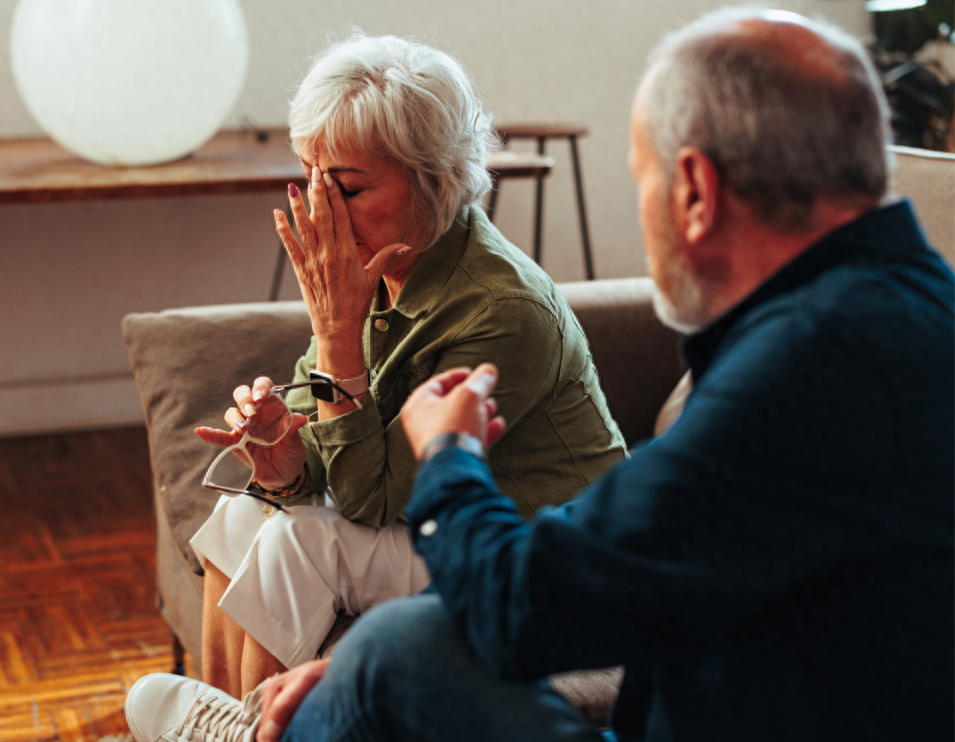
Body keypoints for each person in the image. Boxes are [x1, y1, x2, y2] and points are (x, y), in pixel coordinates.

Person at [123, 8, 955, 742]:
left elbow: (523, 603)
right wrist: (290, 452)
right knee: (324, 586)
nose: (318, 209)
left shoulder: (802, 374)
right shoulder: (889, 311)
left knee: (389, 649)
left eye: (643, 181)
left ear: (694, 189)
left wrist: (450, 459)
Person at [182, 31, 626, 703]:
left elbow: (374, 499)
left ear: (435, 179)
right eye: (311, 179)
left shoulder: (502, 310)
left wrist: (335, 339)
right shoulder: (380, 270)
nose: (322, 211)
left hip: (539, 558)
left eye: (349, 188)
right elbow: (327, 446)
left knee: (298, 543)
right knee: (243, 517)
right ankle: (217, 722)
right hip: (432, 523)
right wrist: (285, 460)